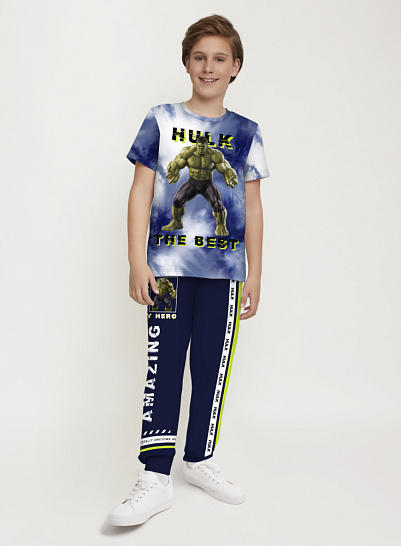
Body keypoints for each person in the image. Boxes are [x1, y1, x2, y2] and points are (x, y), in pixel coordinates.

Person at [107, 13, 270, 527]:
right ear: (186, 62)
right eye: (200, 57)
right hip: (167, 271)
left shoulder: (246, 133)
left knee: (210, 369)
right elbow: (141, 189)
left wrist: (255, 273)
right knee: (165, 367)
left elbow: (252, 205)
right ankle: (155, 476)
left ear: (235, 66)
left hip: (224, 272)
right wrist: (136, 259)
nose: (209, 66)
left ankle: (199, 459)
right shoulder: (160, 120)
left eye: (219, 58)